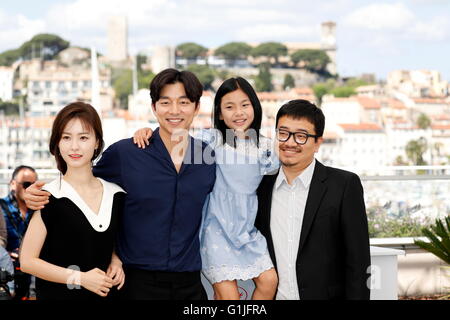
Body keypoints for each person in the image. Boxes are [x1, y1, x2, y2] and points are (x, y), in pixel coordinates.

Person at [24, 69, 216, 300]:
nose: (174, 110)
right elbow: (80, 182)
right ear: (154, 108)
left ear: (197, 108)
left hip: (190, 283)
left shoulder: (207, 157)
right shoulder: (126, 154)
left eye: (183, 102)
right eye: (165, 102)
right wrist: (32, 194)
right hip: (136, 283)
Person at [133, 77, 279, 300]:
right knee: (230, 298)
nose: (238, 112)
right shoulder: (211, 141)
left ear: (255, 107)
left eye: (245, 105)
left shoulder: (266, 149)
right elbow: (172, 138)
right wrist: (146, 132)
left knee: (269, 281)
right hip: (214, 231)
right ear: (219, 113)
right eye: (229, 107)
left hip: (246, 232)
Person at [255, 99, 371, 300]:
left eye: (301, 136)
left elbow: (358, 264)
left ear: (318, 143)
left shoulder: (344, 185)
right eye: (283, 133)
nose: (290, 142)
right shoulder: (260, 187)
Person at [20, 102, 126, 300]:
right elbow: (27, 261)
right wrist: (80, 278)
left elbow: (108, 243)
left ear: (97, 143)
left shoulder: (116, 195)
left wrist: (116, 260)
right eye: (66, 137)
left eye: (83, 137)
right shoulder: (47, 197)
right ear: (57, 144)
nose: (74, 146)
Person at [0, 165, 37, 300]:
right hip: (8, 268)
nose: (31, 188)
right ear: (13, 184)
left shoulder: (40, 209)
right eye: (27, 184)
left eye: (35, 184)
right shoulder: (0, 207)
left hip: (33, 268)